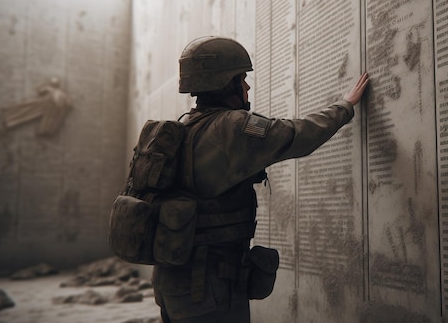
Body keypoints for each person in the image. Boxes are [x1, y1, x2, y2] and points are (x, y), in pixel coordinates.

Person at [152, 36, 369, 323]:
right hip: (209, 289)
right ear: (225, 83)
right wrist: (345, 105)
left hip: (170, 281)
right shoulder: (234, 128)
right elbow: (298, 134)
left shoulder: (181, 129)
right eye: (241, 78)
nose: (247, 86)